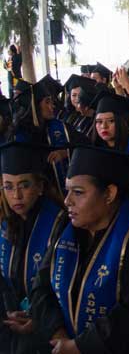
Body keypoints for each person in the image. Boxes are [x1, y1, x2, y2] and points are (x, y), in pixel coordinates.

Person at [29, 145, 129, 353]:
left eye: (78, 192)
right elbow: (42, 286)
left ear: (109, 193)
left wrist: (80, 347)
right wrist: (58, 335)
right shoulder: (68, 228)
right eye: (67, 191)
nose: (67, 201)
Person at [0, 142, 65, 354]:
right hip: (12, 324)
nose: (16, 195)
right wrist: (6, 312)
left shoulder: (61, 224)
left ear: (40, 187)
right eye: (8, 186)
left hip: (51, 330)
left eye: (24, 185)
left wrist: (39, 320)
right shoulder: (5, 222)